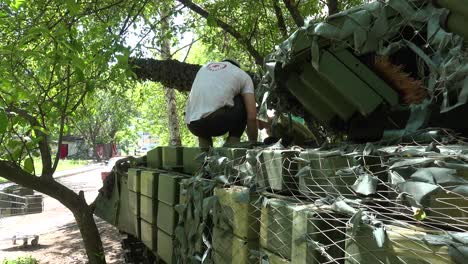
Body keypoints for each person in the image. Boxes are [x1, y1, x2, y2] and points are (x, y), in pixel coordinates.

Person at [184, 59, 258, 147]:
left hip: (193, 125)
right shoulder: (242, 75)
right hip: (217, 122)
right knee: (244, 101)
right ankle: (233, 141)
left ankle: (205, 148)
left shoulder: (204, 69)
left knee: (202, 108)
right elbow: (252, 116)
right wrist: (253, 142)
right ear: (237, 67)